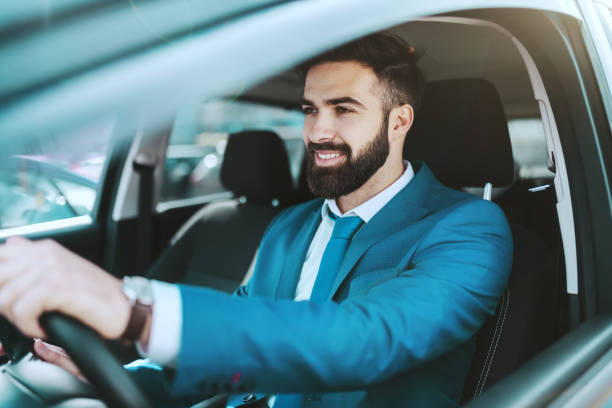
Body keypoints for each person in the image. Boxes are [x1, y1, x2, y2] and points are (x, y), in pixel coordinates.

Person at [0, 32, 513, 407]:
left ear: (399, 121)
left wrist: (135, 314)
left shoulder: (469, 228)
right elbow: (240, 349)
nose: (317, 132)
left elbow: (365, 339)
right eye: (310, 110)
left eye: (344, 109)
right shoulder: (289, 227)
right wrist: (119, 375)